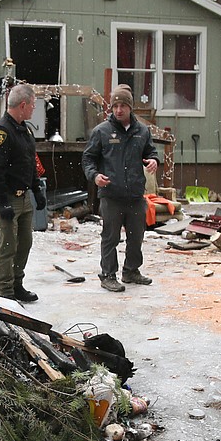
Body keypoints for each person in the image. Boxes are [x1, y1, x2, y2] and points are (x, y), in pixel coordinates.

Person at [82, 84, 159, 292]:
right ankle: (108, 275)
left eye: (123, 105)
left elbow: (151, 152)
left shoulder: (142, 131)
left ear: (130, 107)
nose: (119, 110)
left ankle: (131, 271)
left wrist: (153, 160)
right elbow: (88, 159)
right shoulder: (102, 132)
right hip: (111, 195)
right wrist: (95, 176)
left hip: (135, 194)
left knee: (136, 236)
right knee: (111, 237)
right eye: (115, 105)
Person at [0, 82, 44, 302]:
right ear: (23, 104)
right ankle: (6, 292)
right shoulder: (0, 133)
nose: (34, 110)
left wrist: (37, 189)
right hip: (5, 198)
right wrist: (2, 203)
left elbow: (30, 163)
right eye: (33, 105)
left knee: (25, 243)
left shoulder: (24, 130)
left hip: (23, 197)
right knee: (8, 246)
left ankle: (17, 284)